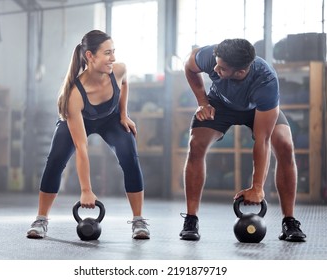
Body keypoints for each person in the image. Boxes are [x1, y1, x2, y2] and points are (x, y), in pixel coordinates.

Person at [26, 30, 150, 240]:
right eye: (107, 53)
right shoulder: (74, 94)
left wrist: (123, 114)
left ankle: (138, 220)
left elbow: (125, 84)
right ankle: (41, 219)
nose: (113, 58)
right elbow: (81, 148)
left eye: (114, 52)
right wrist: (86, 190)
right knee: (55, 161)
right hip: (79, 120)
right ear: (90, 56)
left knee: (129, 153)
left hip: (110, 119)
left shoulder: (118, 70)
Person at [179, 38, 306, 242]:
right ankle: (191, 220)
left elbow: (262, 140)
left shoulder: (266, 82)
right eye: (216, 64)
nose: (215, 69)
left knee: (284, 145)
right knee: (196, 144)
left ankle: (289, 221)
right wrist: (203, 102)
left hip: (257, 109)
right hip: (219, 104)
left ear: (240, 72)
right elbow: (189, 65)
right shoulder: (212, 56)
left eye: (221, 68)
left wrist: (257, 187)